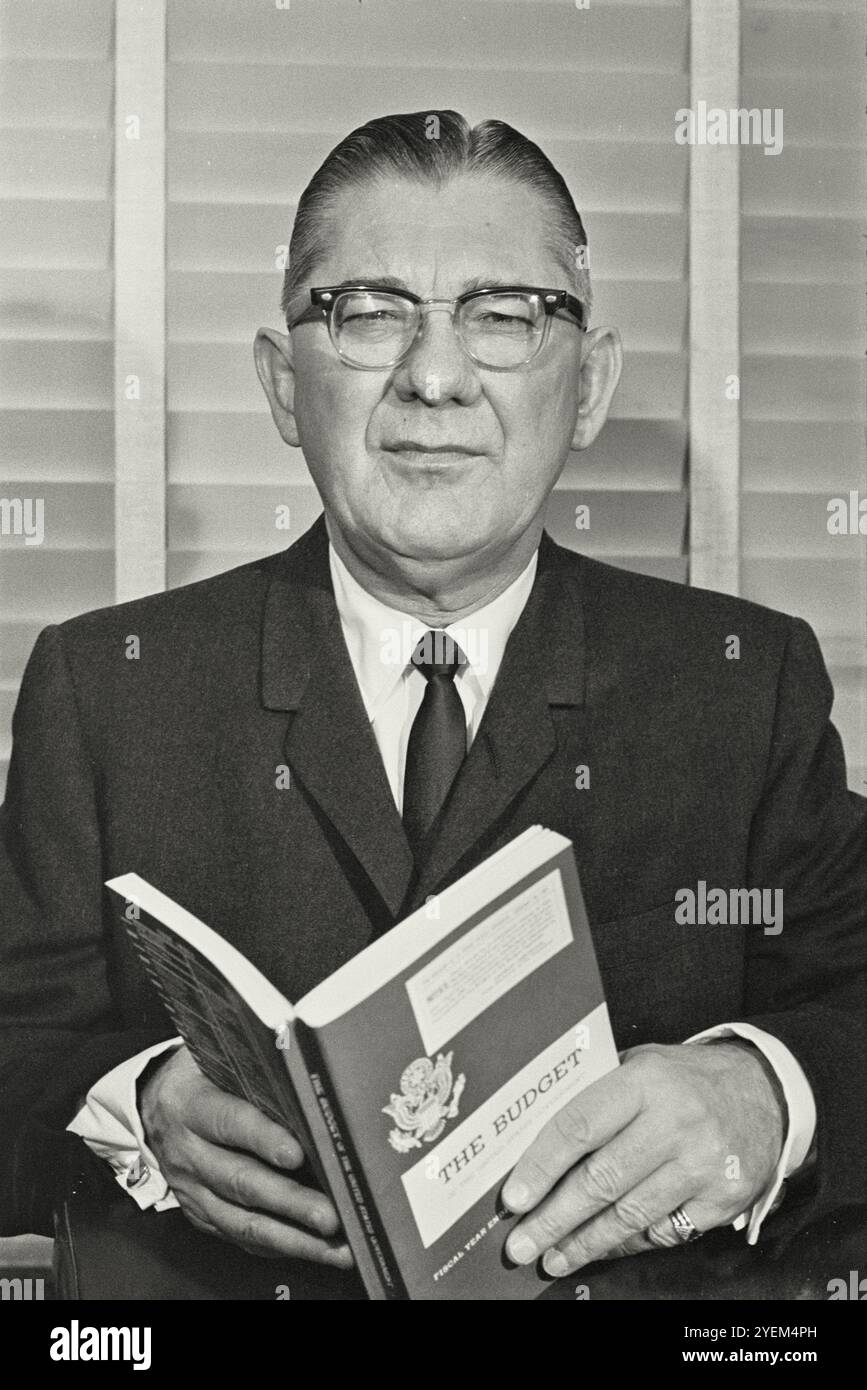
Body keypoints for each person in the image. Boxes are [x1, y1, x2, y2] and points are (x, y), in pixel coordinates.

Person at [1, 112, 864, 1287]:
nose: (436, 376)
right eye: (367, 312)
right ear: (282, 384)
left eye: (504, 316)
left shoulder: (742, 685)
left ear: (592, 382)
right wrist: (138, 1103)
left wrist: (767, 1090)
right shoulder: (105, 689)